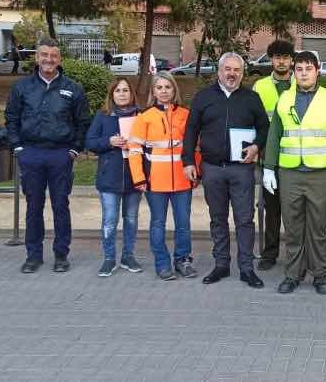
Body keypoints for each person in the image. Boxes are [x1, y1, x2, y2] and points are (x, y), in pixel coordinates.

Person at [262, 51, 326, 295]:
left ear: (317, 70)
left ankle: (319, 274)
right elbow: (274, 136)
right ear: (293, 71)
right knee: (292, 227)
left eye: (308, 68)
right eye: (299, 69)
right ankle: (293, 274)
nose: (303, 73)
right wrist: (269, 168)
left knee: (318, 227)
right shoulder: (284, 99)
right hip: (290, 173)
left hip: (320, 174)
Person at [182, 52, 269, 289]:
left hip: (241, 170)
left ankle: (247, 268)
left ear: (242, 73)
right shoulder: (203, 97)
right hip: (213, 169)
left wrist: (257, 145)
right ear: (219, 71)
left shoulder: (252, 98)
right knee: (217, 219)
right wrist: (188, 161)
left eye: (237, 70)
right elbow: (191, 130)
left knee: (244, 220)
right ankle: (221, 264)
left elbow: (265, 127)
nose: (232, 74)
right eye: (227, 69)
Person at [5, 36, 90, 274]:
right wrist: (17, 147)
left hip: (60, 155)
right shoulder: (22, 87)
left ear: (59, 59)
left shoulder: (73, 88)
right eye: (44, 55)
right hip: (31, 153)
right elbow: (11, 118)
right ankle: (33, 256)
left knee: (60, 205)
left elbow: (83, 122)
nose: (48, 60)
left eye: (53, 56)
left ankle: (61, 254)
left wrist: (74, 149)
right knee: (33, 206)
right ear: (37, 57)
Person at [128, 71, 198, 281]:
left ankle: (182, 260)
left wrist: (196, 170)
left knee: (183, 223)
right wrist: (139, 178)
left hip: (183, 179)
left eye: (168, 87)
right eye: (159, 87)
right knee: (158, 223)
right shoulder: (144, 117)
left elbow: (195, 146)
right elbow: (134, 150)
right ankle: (162, 263)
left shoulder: (185, 114)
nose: (164, 91)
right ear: (153, 91)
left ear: (174, 89)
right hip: (155, 181)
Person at [85, 78, 143, 277]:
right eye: (118, 90)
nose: (122, 94)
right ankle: (109, 258)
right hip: (109, 177)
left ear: (132, 93)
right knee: (110, 220)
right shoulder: (103, 116)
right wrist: (108, 141)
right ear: (112, 94)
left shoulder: (141, 116)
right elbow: (90, 142)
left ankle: (128, 256)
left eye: (126, 90)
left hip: (134, 177)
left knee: (131, 219)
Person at [252, 39, 295, 271]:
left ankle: (295, 254)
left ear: (291, 60)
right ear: (271, 59)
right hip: (269, 157)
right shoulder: (260, 86)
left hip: (296, 158)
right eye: (277, 57)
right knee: (271, 209)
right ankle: (270, 253)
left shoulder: (301, 83)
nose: (281, 61)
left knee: (295, 210)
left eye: (285, 57)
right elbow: (255, 121)